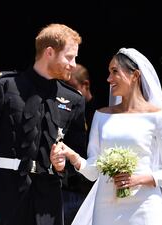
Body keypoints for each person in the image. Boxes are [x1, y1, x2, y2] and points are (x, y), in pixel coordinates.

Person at [51, 48, 162, 225]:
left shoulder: (157, 117)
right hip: (106, 207)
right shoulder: (101, 116)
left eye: (115, 72)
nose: (109, 79)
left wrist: (138, 179)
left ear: (135, 75)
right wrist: (73, 156)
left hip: (145, 206)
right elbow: (94, 172)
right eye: (109, 72)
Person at [0, 23, 86, 225]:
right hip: (3, 194)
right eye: (69, 57)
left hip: (48, 201)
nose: (73, 64)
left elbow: (79, 153)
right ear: (49, 52)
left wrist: (64, 165)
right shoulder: (4, 85)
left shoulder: (74, 99)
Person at [63, 64, 95, 224]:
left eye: (71, 86)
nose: (67, 92)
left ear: (85, 85)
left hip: (94, 189)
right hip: (69, 187)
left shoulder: (100, 112)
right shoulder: (64, 110)